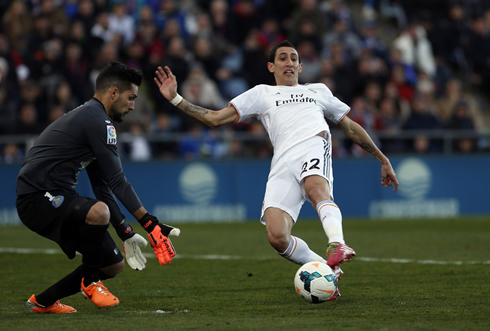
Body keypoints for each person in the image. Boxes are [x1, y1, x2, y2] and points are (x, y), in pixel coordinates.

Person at [154, 40, 399, 301]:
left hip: (314, 143)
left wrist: (382, 158)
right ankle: (329, 271)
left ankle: (337, 243)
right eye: (283, 58)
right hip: (282, 161)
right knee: (277, 236)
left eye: (294, 58)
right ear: (271, 66)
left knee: (316, 189)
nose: (289, 62)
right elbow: (215, 119)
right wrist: (176, 99)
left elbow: (350, 127)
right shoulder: (262, 93)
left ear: (301, 67)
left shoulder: (318, 90)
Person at [16, 62, 180, 313]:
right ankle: (91, 282)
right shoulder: (98, 121)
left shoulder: (91, 117)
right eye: (130, 97)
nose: (133, 105)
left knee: (113, 264)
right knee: (99, 212)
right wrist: (150, 223)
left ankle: (43, 301)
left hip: (59, 195)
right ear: (113, 92)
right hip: (37, 195)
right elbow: (118, 181)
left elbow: (102, 184)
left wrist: (124, 231)